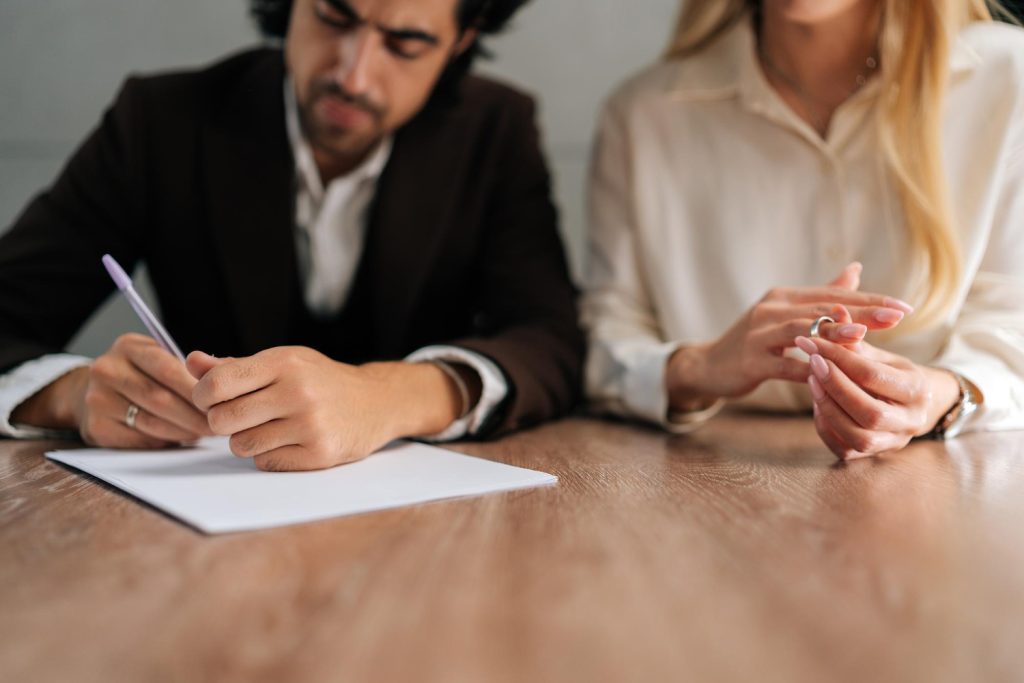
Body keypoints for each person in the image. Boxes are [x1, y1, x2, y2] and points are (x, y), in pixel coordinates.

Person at [0, 0, 583, 470]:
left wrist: (389, 395)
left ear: (460, 40)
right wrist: (69, 395)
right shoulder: (160, 122)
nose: (352, 76)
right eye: (333, 16)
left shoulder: (495, 131)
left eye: (405, 43)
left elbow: (551, 338)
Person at [583, 0, 1024, 459]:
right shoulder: (643, 113)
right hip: (707, 477)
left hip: (956, 482)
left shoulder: (1007, 79)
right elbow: (607, 343)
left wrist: (942, 395)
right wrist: (698, 367)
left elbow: (1015, 330)